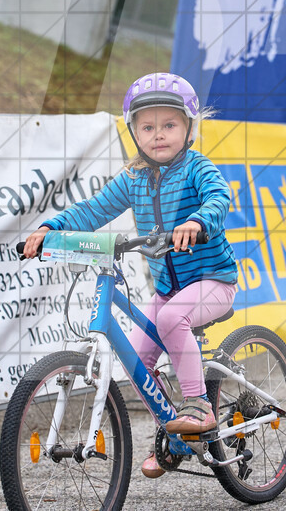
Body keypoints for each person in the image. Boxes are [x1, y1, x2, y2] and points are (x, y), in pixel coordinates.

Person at [19, 72, 237, 479]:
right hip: (168, 288)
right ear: (134, 132)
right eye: (147, 127)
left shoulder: (196, 168)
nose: (158, 135)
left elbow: (219, 197)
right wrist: (51, 228)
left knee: (172, 320)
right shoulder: (134, 178)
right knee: (137, 360)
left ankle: (198, 405)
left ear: (189, 127)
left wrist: (196, 221)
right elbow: (93, 209)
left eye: (169, 125)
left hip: (213, 281)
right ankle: (174, 436)